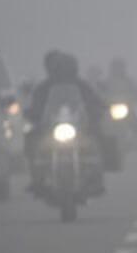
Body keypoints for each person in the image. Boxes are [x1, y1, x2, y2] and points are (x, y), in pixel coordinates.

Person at [24, 50, 110, 192]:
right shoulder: (44, 87)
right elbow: (36, 105)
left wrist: (99, 109)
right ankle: (36, 177)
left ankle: (97, 175)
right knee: (31, 138)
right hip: (51, 127)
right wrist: (32, 113)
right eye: (60, 68)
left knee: (98, 136)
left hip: (79, 126)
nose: (63, 71)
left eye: (66, 67)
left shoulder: (82, 85)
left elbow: (94, 100)